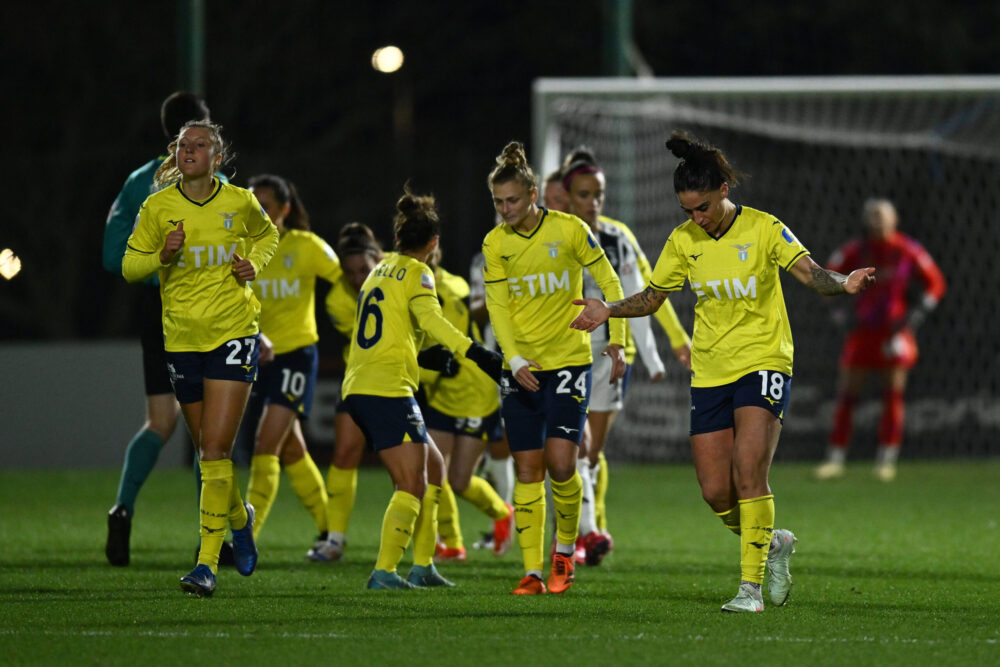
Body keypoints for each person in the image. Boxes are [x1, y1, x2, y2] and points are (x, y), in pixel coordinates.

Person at [570, 130, 875, 612]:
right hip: (711, 369)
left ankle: (750, 589)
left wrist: (845, 282)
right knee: (715, 491)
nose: (698, 218)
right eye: (689, 210)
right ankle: (772, 543)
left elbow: (811, 273)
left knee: (749, 471)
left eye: (704, 207)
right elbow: (653, 298)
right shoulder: (683, 240)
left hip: (764, 359)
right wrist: (609, 309)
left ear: (724, 191)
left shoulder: (764, 228)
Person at [123, 120, 280, 596]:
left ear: (217, 156)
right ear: (175, 156)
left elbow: (268, 235)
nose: (190, 151)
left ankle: (207, 564)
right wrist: (162, 258)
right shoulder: (158, 207)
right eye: (183, 145)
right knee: (208, 451)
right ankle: (240, 517)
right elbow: (132, 266)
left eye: (200, 145)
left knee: (214, 451)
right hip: (182, 339)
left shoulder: (239, 201)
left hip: (233, 332)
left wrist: (256, 263)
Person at [482, 141, 627, 595]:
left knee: (562, 461)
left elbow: (609, 281)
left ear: (532, 197)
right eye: (497, 202)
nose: (504, 210)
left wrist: (618, 342)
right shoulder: (495, 243)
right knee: (527, 470)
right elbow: (497, 307)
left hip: (568, 362)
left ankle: (564, 549)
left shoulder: (568, 230)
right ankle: (531, 572)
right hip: (521, 368)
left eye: (511, 200)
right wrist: (515, 359)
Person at [340, 187, 502, 589]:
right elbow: (433, 323)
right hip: (388, 389)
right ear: (433, 244)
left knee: (434, 467)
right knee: (411, 483)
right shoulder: (419, 273)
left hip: (361, 383)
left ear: (396, 238)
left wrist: (429, 358)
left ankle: (423, 565)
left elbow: (392, 333)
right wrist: (478, 354)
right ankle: (384, 571)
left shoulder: (379, 271)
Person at [562, 146, 690, 565]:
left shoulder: (618, 238)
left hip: (611, 354)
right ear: (567, 197)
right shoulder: (558, 237)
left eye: (598, 194)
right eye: (584, 194)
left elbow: (646, 295)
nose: (593, 202)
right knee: (571, 448)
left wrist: (658, 354)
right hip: (564, 352)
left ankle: (586, 531)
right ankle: (585, 534)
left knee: (590, 453)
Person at [102, 91, 214, 567]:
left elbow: (112, 255)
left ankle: (122, 508)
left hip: (153, 309)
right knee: (208, 433)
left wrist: (152, 269)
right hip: (200, 310)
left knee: (161, 422)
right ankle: (214, 539)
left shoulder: (135, 182)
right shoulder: (211, 181)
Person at [815, 198, 946, 482]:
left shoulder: (906, 249)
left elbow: (935, 283)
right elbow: (825, 277)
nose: (878, 221)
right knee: (847, 395)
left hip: (894, 333)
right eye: (872, 215)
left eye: (883, 215)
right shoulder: (857, 250)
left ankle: (886, 460)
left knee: (892, 395)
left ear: (895, 219)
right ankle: (835, 459)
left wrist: (916, 314)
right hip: (863, 332)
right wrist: (839, 313)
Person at [243, 174, 342, 546]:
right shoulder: (244, 249)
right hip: (259, 358)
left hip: (296, 356)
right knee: (290, 447)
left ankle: (245, 536)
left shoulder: (306, 246)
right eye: (254, 205)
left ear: (285, 210)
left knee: (264, 444)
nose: (259, 212)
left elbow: (347, 282)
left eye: (265, 206)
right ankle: (331, 529)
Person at [414, 249, 513, 562]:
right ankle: (453, 543)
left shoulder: (451, 289)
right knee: (432, 472)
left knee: (459, 480)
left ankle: (501, 511)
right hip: (442, 394)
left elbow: (459, 333)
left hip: (475, 394)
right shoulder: (404, 286)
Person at [307, 223, 383, 562]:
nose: (356, 279)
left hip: (401, 382)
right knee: (344, 456)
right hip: (359, 380)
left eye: (364, 270)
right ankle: (334, 540)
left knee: (413, 470)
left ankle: (431, 545)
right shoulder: (338, 300)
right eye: (350, 272)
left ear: (379, 260)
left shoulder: (401, 272)